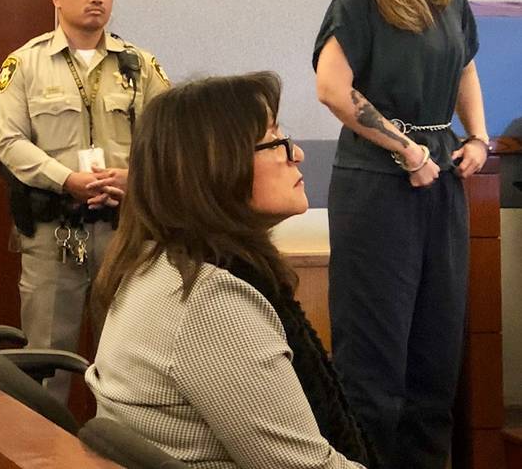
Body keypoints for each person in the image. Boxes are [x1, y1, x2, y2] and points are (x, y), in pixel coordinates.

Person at [88, 72, 372, 469]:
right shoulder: (209, 304)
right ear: (216, 167)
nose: (297, 154)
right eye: (274, 140)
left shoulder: (156, 264)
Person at [313, 0, 488, 469]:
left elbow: (464, 64)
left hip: (441, 175)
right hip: (378, 184)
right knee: (375, 368)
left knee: (435, 362)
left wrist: (480, 138)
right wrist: (404, 149)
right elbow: (332, 88)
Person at [0, 0, 169, 401]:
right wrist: (64, 179)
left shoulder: (140, 65)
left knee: (132, 361)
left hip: (125, 233)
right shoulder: (24, 65)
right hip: (55, 235)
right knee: (47, 363)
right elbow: (11, 143)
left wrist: (133, 178)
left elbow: (167, 143)